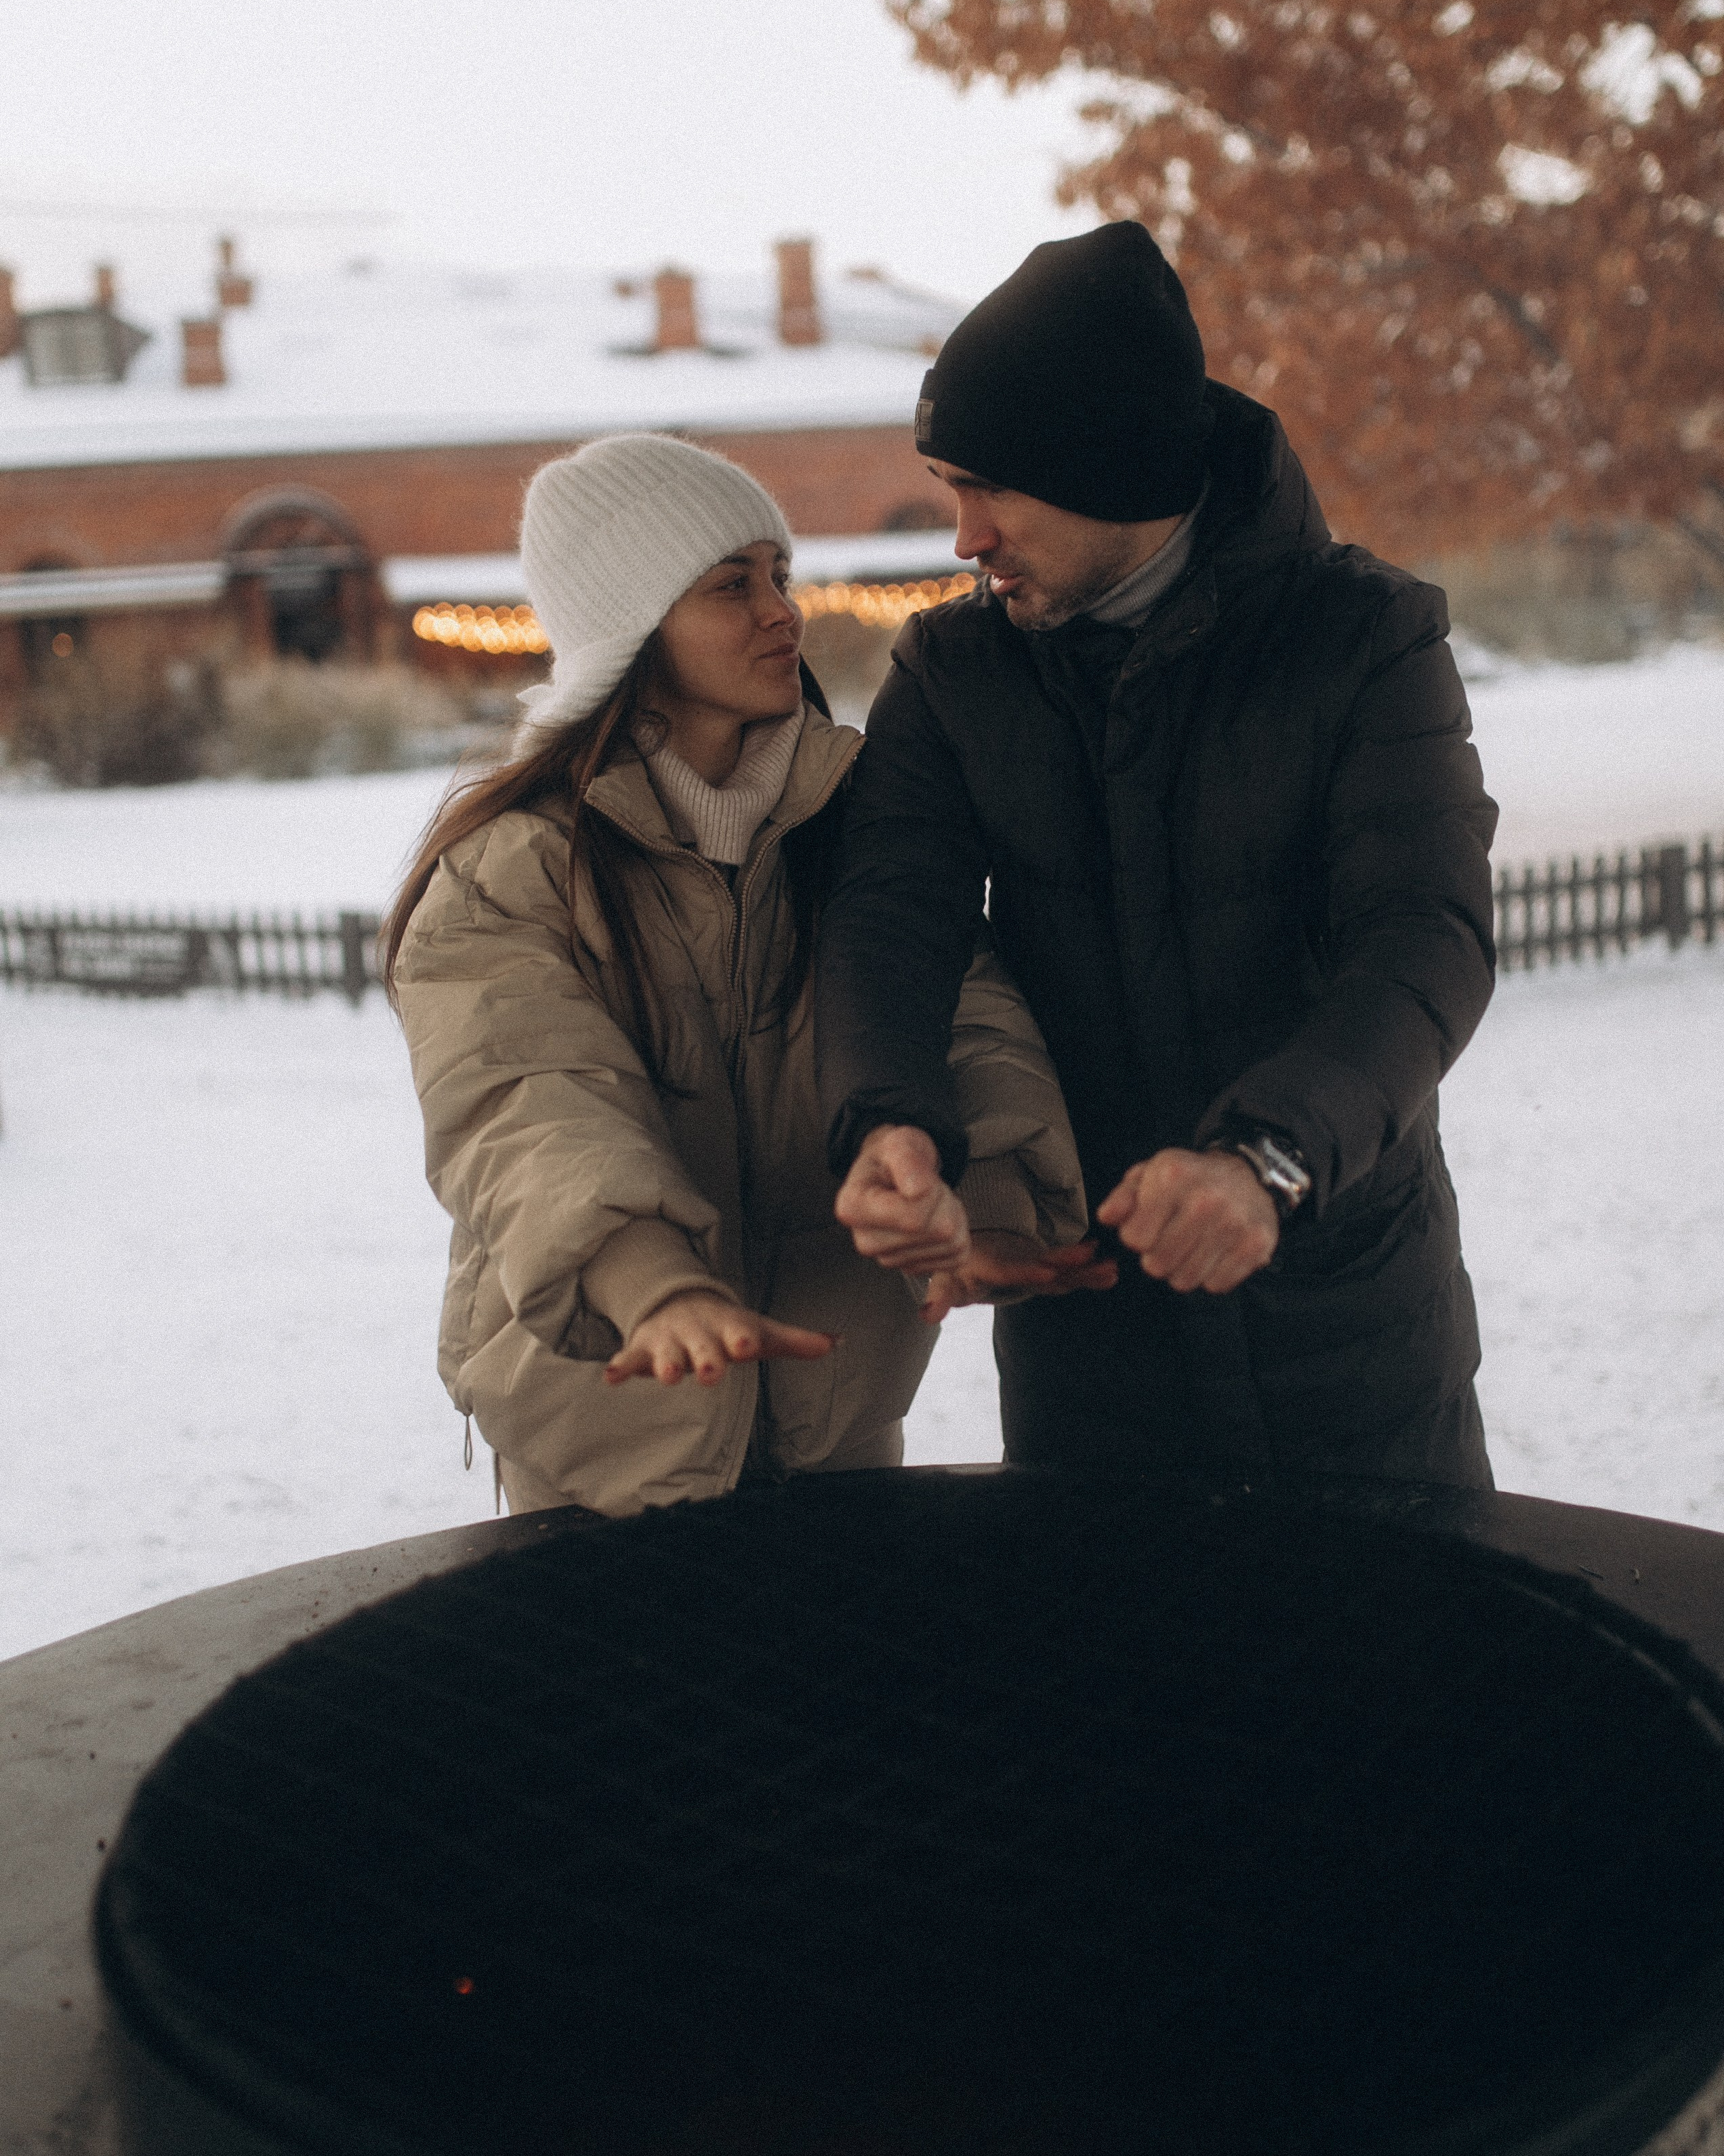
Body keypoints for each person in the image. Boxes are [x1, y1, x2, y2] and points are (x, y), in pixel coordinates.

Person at [817, 222, 1499, 1486]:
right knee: (1121, 1682)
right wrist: (887, 1119)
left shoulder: (1367, 640)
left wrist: (1267, 1161)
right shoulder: (953, 670)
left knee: (1396, 1677)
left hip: (1347, 1324)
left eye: (989, 489)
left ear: (1108, 470)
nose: (962, 536)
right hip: (1094, 1347)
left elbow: (1424, 944)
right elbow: (888, 916)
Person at [384, 433, 1102, 1517]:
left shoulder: (862, 817)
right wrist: (649, 1284)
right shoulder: (516, 865)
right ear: (630, 627)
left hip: (838, 1416)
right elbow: (522, 1098)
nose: (781, 611)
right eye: (732, 585)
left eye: (780, 575)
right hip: (602, 1437)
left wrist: (986, 1203)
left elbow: (957, 1011)